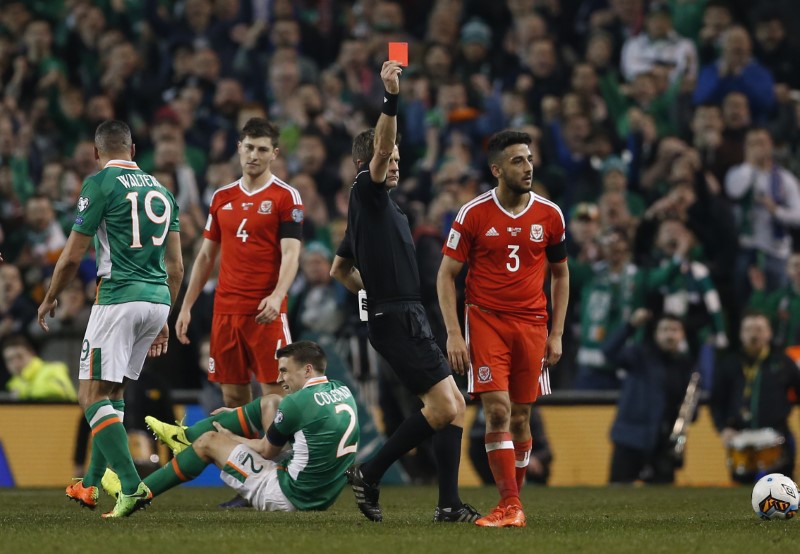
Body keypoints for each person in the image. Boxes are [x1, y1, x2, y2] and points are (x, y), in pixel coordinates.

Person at [330, 61, 477, 523]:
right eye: (386, 158)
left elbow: (339, 268)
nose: (394, 163)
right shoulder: (367, 194)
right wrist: (391, 97)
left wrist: (366, 294)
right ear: (366, 163)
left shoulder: (378, 210)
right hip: (397, 318)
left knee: (452, 407)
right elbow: (383, 143)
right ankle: (371, 473)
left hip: (401, 314)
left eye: (396, 160)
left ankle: (447, 503)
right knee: (446, 405)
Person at [37, 120, 183, 518]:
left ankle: (132, 487)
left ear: (95, 152)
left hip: (118, 298)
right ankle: (89, 484)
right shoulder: (164, 191)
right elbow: (177, 267)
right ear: (133, 149)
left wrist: (50, 297)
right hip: (156, 300)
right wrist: (164, 315)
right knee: (112, 393)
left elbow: (70, 257)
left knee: (90, 396)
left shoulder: (99, 185)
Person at [437, 130, 569, 528]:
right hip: (485, 320)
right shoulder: (473, 213)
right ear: (496, 169)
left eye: (529, 159)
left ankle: (513, 503)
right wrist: (454, 334)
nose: (528, 167)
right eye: (517, 161)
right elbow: (446, 276)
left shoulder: (550, 214)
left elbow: (561, 275)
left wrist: (557, 332)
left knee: (522, 417)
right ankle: (511, 504)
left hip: (532, 324)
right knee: (498, 410)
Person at [102, 341, 359, 515]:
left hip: (290, 495)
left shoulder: (297, 403)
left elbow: (266, 450)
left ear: (307, 369)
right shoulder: (342, 390)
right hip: (322, 490)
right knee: (270, 401)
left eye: (284, 371)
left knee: (209, 442)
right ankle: (183, 437)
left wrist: (230, 437)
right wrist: (238, 414)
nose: (280, 379)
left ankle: (135, 494)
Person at [176, 118, 303, 408]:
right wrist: (186, 306)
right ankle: (244, 455)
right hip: (225, 313)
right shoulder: (221, 197)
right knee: (232, 396)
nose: (253, 155)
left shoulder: (286, 197)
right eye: (248, 148)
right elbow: (206, 256)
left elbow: (292, 254)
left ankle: (275, 454)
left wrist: (277, 296)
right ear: (238, 149)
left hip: (265, 312)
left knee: (274, 395)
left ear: (274, 154)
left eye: (261, 149)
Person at [603, 311, 694, 484]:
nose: (670, 335)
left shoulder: (685, 364)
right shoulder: (639, 355)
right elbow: (609, 352)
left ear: (682, 335)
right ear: (655, 334)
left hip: (663, 443)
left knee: (663, 503)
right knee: (617, 494)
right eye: (665, 330)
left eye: (675, 330)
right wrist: (631, 326)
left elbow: (689, 405)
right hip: (630, 439)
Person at [711, 312, 800, 483]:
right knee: (740, 498)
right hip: (741, 441)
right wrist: (722, 428)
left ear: (769, 333)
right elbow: (717, 401)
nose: (754, 334)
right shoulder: (730, 364)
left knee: (782, 493)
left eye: (759, 329)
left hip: (778, 438)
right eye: (748, 329)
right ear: (741, 334)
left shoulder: (782, 362)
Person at [2, 333, 77, 401]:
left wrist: (23, 392)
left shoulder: (54, 368)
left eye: (19, 356)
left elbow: (61, 392)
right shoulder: (13, 384)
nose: (15, 363)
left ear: (31, 353)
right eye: (9, 360)